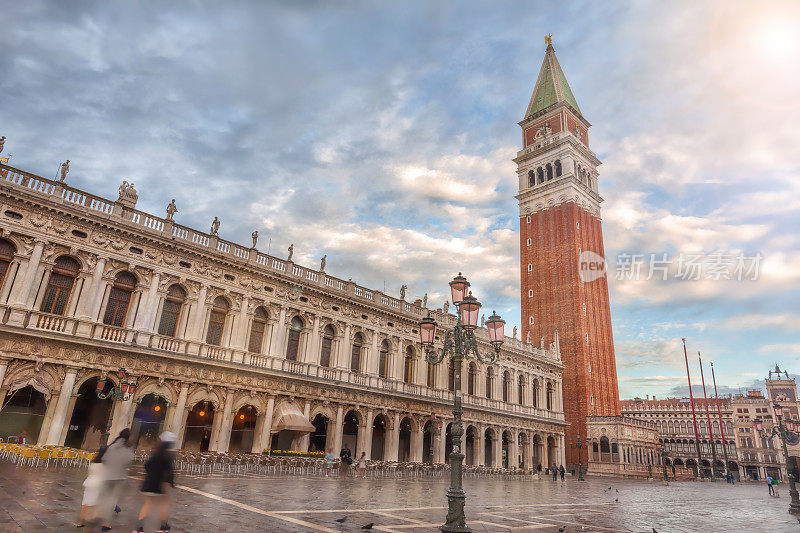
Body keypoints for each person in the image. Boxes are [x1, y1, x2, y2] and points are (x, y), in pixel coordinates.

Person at [134, 432, 177, 533]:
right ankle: (163, 526)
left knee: (148, 503)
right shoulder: (168, 455)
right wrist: (170, 483)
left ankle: (139, 528)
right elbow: (170, 471)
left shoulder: (156, 453)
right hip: (160, 484)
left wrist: (151, 474)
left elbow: (146, 466)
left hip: (148, 483)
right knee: (164, 503)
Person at [99, 429, 134, 531]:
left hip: (107, 476)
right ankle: (106, 523)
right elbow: (128, 461)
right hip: (118, 478)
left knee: (106, 499)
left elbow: (104, 460)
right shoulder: (128, 448)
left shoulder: (112, 446)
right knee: (112, 500)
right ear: (128, 437)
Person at [76, 447, 107, 528]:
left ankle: (80, 522)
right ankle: (92, 518)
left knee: (85, 503)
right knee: (95, 503)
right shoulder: (104, 464)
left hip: (89, 483)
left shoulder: (94, 463)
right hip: (97, 485)